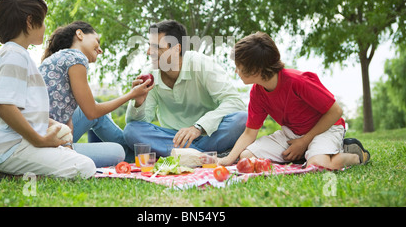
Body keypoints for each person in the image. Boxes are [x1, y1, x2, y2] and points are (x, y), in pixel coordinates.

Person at [0, 0, 95, 179]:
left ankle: (4, 172)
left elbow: (22, 110)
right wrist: (39, 140)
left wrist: (50, 124)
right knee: (85, 167)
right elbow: (4, 106)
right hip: (10, 148)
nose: (46, 26)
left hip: (16, 145)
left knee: (72, 157)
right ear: (30, 21)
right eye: (43, 20)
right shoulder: (14, 55)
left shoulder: (17, 55)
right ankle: (0, 174)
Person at [218, 31, 370, 170]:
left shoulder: (298, 81)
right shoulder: (257, 93)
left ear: (256, 70)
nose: (236, 70)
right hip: (293, 134)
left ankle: (355, 155)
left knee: (318, 166)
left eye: (238, 66)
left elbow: (336, 111)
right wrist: (229, 159)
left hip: (325, 129)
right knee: (247, 157)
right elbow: (250, 132)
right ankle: (307, 154)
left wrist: (304, 141)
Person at [123, 20, 248, 157]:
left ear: (177, 49)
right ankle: (208, 157)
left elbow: (235, 102)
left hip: (209, 135)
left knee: (242, 119)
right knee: (131, 130)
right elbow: (139, 124)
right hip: (173, 139)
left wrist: (198, 127)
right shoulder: (150, 75)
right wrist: (138, 102)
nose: (148, 52)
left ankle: (185, 155)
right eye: (149, 46)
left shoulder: (202, 64)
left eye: (156, 47)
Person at [39, 21, 153, 165]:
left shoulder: (61, 58)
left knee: (99, 115)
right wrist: (132, 94)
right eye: (97, 42)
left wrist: (68, 142)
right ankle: (141, 156)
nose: (100, 50)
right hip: (44, 139)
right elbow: (92, 112)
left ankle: (139, 155)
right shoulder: (76, 58)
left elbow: (73, 117)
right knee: (117, 152)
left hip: (52, 129)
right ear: (79, 34)